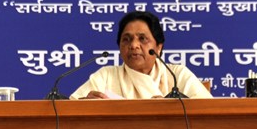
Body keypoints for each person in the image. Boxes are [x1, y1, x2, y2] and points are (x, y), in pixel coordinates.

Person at [71, 11, 212, 99]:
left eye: (142, 39)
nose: (133, 45)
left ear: (159, 47)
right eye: (126, 39)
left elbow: (206, 111)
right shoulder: (106, 75)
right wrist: (86, 103)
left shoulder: (176, 75)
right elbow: (72, 109)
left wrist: (170, 111)